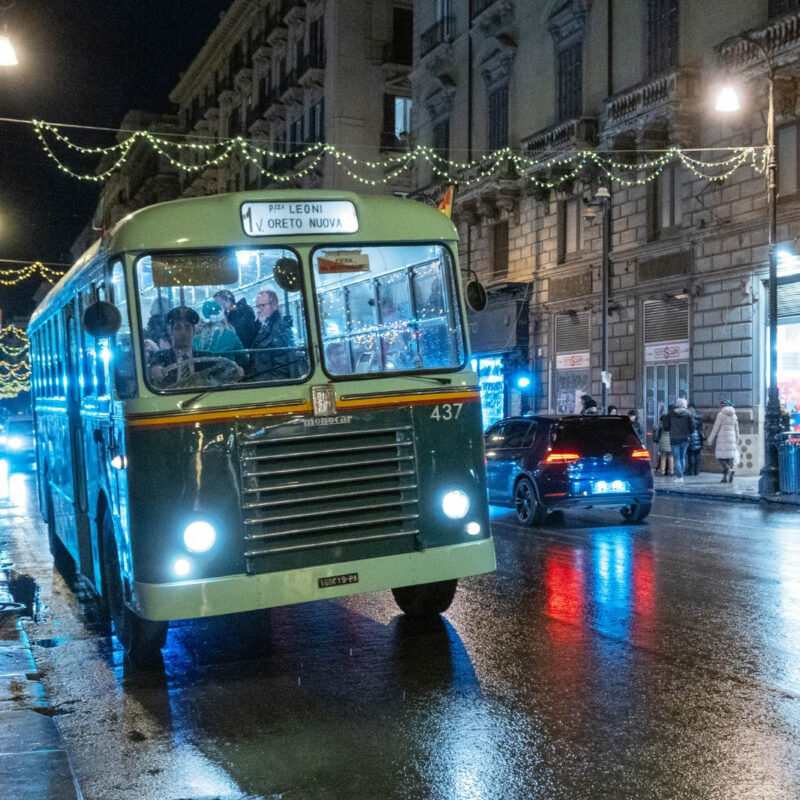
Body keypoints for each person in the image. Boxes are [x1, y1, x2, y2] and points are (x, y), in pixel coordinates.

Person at [148, 306, 243, 389]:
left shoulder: (206, 358)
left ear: (193, 331)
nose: (183, 332)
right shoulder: (161, 357)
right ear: (171, 331)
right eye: (178, 328)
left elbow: (221, 373)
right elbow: (154, 365)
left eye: (187, 327)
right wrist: (156, 370)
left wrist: (235, 372)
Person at [250, 289, 295, 378]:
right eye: (257, 306)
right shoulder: (264, 327)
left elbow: (282, 368)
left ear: (274, 306)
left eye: (262, 306)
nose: (258, 310)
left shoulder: (279, 330)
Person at [193, 299, 249, 367]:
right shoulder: (229, 335)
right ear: (222, 317)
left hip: (203, 376)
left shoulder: (195, 339)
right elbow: (244, 360)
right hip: (228, 375)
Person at [706, 398, 740, 483]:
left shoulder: (721, 414)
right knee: (729, 458)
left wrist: (710, 439)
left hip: (722, 439)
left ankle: (728, 470)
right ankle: (725, 478)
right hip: (732, 439)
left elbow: (715, 428)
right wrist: (737, 440)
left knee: (721, 457)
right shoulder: (734, 415)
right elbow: (737, 429)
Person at [662, 397, 696, 483]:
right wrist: (689, 432)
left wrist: (671, 429)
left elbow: (666, 426)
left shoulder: (670, 414)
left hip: (674, 438)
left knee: (676, 458)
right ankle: (681, 476)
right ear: (685, 405)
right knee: (682, 457)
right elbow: (692, 427)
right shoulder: (689, 414)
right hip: (685, 438)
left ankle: (679, 476)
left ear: (677, 405)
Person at [686, 403, 705, 475]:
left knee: (691, 454)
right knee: (697, 454)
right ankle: (697, 471)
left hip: (691, 436)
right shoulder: (699, 416)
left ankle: (690, 471)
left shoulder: (688, 416)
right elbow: (701, 427)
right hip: (698, 437)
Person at [654, 408, 673, 476]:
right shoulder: (671, 424)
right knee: (671, 456)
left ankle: (662, 471)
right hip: (670, 441)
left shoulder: (660, 424)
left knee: (663, 457)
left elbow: (655, 429)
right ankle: (671, 471)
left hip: (662, 441)